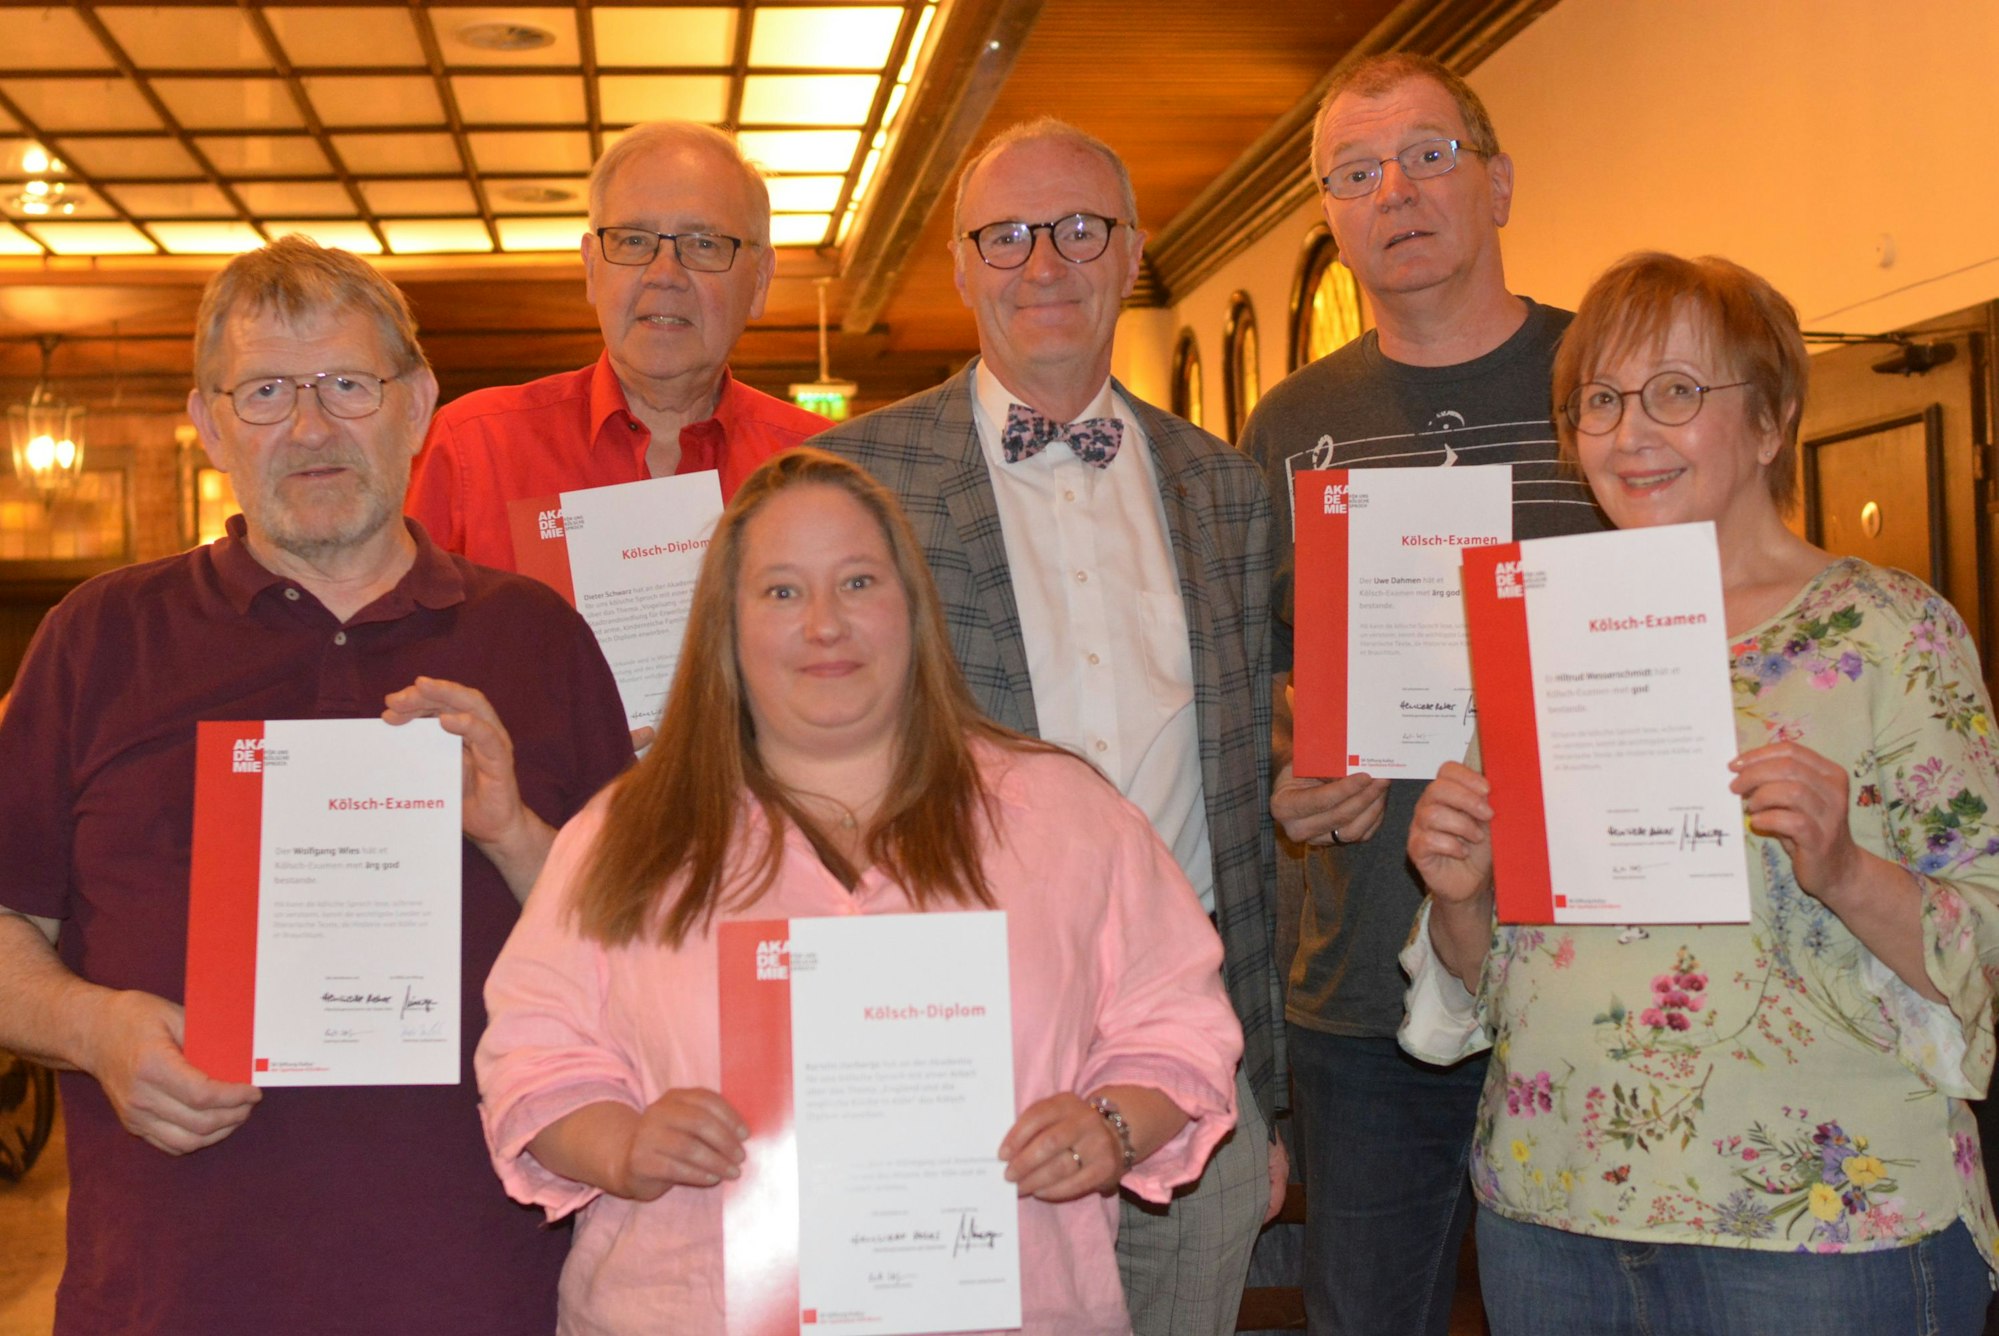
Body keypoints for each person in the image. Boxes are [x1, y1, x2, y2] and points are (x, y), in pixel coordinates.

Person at [0, 236, 633, 1335]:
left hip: (480, 1293)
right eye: (264, 392)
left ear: (417, 402)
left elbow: (644, 959)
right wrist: (93, 1027)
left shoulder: (539, 640)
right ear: (206, 421)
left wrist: (518, 832)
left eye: (347, 384)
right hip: (167, 1297)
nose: (308, 428)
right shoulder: (97, 638)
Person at [475, 447, 1243, 1333]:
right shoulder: (623, 836)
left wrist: (1111, 1125)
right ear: (725, 628)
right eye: (781, 592)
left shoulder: (1069, 818)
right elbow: (535, 1053)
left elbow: (1178, 1026)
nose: (824, 626)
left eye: (858, 583)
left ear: (913, 609)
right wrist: (623, 1143)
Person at [1404, 252, 1999, 1334]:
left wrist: (1845, 868)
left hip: (1815, 1224)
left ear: (1770, 421)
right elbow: (1498, 977)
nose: (1630, 431)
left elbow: (1989, 938)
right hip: (1554, 1209)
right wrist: (1455, 893)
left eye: (1676, 392)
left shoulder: (1888, 631)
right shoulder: (1539, 627)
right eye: (1599, 399)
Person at [810, 118, 1283, 1333]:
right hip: (948, 1048)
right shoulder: (852, 481)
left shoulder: (1226, 488)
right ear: (961, 268)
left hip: (1183, 1051)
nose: (1044, 263)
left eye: (1080, 230)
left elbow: (1244, 803)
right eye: (1006, 235)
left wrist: (1264, 1099)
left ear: (1129, 256)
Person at [1236, 52, 1604, 1334]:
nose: (1394, 190)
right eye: (1354, 172)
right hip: (1366, 991)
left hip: (1594, 966)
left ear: (1497, 184)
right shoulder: (1283, 428)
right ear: (1330, 221)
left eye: (1429, 155)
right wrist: (1287, 784)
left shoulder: (1603, 386)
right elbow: (1265, 689)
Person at [405, 121, 829, 571]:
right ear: (592, 268)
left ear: (760, 280)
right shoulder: (474, 448)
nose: (663, 273)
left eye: (704, 244)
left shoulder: (822, 463)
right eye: (633, 241)